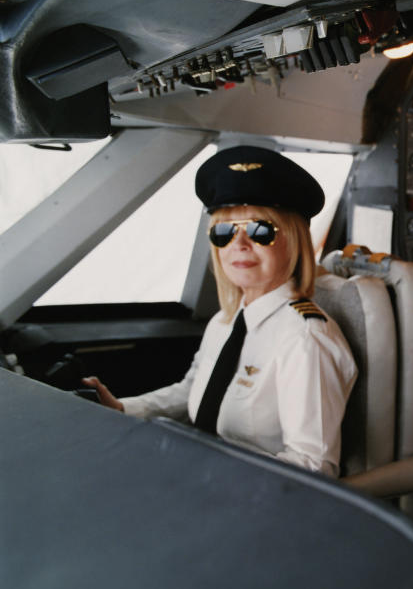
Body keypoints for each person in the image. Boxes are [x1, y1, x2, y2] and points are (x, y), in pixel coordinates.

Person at [83, 146, 357, 477]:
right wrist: (124, 409)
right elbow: (193, 391)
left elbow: (314, 467)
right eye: (225, 232)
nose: (239, 244)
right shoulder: (225, 321)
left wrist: (214, 474)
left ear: (295, 240)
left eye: (260, 230)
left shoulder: (305, 340)